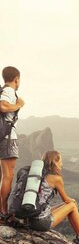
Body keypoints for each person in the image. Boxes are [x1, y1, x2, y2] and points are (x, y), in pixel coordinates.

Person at [26, 150, 79, 244]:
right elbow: (66, 199)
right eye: (60, 161)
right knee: (72, 205)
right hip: (41, 222)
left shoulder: (36, 175)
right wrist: (73, 201)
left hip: (30, 218)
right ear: (55, 162)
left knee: (66, 205)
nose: (61, 164)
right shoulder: (55, 178)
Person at [0, 66, 25, 226]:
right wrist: (19, 105)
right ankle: (4, 212)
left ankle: (3, 211)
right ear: (16, 79)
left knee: (5, 175)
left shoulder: (4, 89)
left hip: (4, 137)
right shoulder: (9, 91)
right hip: (8, 138)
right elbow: (2, 106)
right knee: (8, 175)